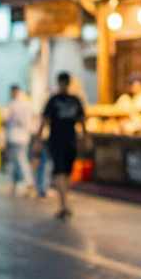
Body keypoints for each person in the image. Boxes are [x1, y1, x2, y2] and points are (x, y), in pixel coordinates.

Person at [40, 72, 86, 219]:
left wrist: (86, 137)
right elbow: (45, 119)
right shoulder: (54, 100)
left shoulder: (74, 100)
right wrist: (38, 139)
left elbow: (82, 120)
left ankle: (64, 202)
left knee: (66, 172)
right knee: (60, 171)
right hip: (58, 141)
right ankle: (64, 203)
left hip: (69, 141)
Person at [1, 85, 35, 197]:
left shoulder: (12, 105)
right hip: (23, 137)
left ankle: (27, 183)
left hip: (15, 137)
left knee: (19, 160)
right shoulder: (25, 104)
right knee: (20, 160)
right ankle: (19, 184)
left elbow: (4, 120)